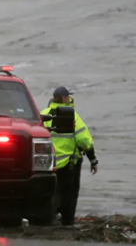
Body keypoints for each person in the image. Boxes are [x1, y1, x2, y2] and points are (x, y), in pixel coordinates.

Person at [41, 86, 98, 226]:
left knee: (48, 194)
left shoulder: (43, 114)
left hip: (46, 164)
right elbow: (84, 140)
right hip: (69, 165)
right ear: (65, 99)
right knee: (69, 196)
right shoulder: (73, 116)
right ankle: (67, 222)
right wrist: (93, 159)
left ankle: (46, 219)